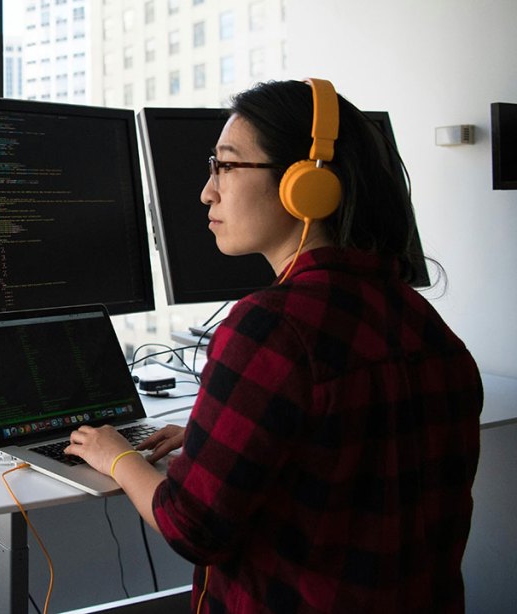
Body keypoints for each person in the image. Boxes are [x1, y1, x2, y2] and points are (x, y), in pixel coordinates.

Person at [64, 79, 483, 613]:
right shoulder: (424, 323)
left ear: (306, 185)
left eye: (226, 166)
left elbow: (192, 527)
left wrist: (117, 455)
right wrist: (218, 433)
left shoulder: (271, 328)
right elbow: (350, 447)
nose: (207, 191)